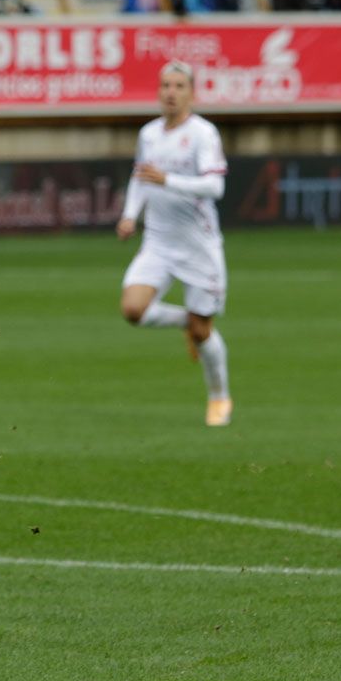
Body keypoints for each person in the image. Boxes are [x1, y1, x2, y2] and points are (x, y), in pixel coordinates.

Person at [117, 63, 234, 426]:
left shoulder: (203, 134)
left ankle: (219, 397)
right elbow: (141, 177)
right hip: (158, 241)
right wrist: (129, 214)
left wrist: (169, 180)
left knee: (203, 332)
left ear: (191, 93)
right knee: (133, 310)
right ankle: (185, 320)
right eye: (165, 85)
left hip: (198, 244)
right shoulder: (149, 134)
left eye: (179, 86)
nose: (171, 91)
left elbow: (215, 188)